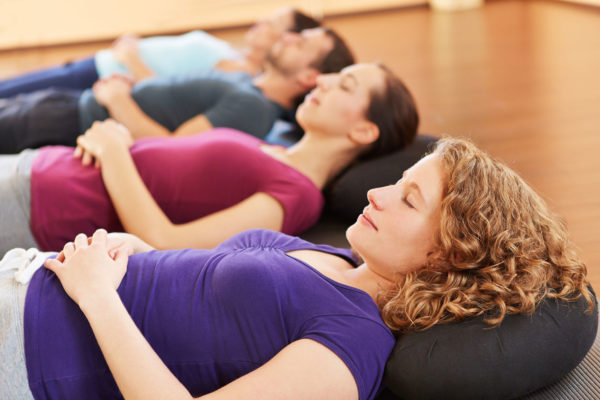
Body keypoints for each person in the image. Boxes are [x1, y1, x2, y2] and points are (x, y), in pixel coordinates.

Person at [0, 137, 593, 399]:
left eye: (408, 199)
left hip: (25, 350)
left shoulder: (355, 346)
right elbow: (201, 302)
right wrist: (136, 252)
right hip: (31, 278)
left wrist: (99, 297)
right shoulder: (337, 259)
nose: (378, 194)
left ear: (448, 256)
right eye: (399, 181)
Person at [0, 62, 419, 254]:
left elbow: (162, 242)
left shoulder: (298, 196)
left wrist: (113, 152)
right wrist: (120, 138)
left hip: (39, 210)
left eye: (344, 85)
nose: (323, 80)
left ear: (363, 130)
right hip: (41, 166)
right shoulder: (272, 146)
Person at [0, 26, 355, 154]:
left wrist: (120, 101)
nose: (288, 37)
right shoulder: (246, 84)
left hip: (72, 122)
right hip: (74, 106)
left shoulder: (254, 109)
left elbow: (169, 147)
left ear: (310, 76)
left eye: (302, 43)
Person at [0, 7, 320, 98]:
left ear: (288, 40)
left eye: (273, 25)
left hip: (104, 76)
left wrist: (130, 58)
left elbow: (167, 92)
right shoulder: (233, 54)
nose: (261, 23)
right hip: (99, 63)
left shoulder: (239, 74)